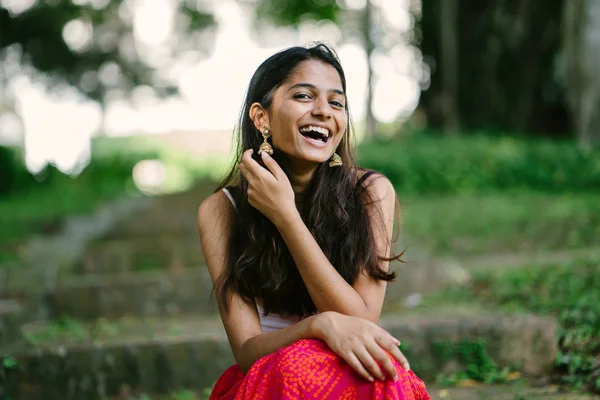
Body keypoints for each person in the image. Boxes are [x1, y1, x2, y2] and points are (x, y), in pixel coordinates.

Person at [197, 42, 430, 399]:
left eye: (336, 103)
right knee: (297, 368)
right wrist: (318, 326)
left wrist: (287, 217)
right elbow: (246, 353)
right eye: (304, 97)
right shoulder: (221, 210)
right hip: (273, 379)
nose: (323, 111)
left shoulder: (371, 192)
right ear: (262, 118)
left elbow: (361, 320)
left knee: (376, 369)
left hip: (349, 373)